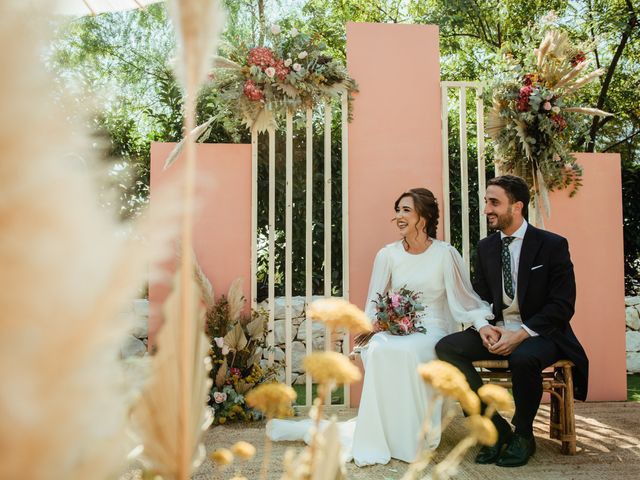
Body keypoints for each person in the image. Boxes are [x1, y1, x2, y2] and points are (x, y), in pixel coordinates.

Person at [268, 188, 493, 466]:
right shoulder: (388, 255)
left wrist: (482, 324)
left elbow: (464, 300)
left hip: (432, 328)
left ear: (423, 217)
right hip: (395, 328)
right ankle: (382, 435)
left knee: (409, 351)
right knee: (380, 349)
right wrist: (372, 330)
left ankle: (414, 436)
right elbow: (374, 303)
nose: (399, 216)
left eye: (406, 211)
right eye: (397, 210)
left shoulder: (445, 254)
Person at [435, 175, 589, 468]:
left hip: (542, 334)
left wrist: (522, 334)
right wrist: (484, 327)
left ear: (517, 206)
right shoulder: (486, 247)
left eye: (494, 203)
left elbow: (562, 304)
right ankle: (494, 427)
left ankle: (523, 435)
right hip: (499, 328)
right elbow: (479, 298)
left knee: (523, 358)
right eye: (486, 202)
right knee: (447, 348)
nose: (487, 209)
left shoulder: (552, 245)